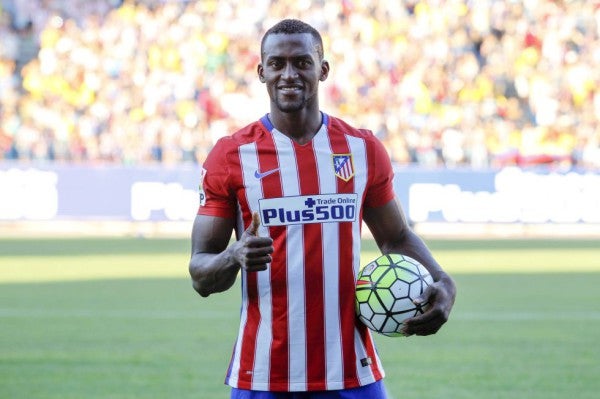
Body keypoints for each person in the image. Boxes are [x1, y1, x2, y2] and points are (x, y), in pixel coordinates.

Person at [189, 18, 457, 399]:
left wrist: (443, 280)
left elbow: (396, 237)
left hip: (352, 373)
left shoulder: (363, 150)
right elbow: (200, 273)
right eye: (277, 64)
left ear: (323, 70)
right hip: (264, 375)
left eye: (302, 62)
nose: (289, 74)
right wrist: (233, 255)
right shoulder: (231, 156)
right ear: (261, 71)